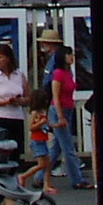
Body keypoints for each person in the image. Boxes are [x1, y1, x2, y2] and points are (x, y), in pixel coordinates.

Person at [39, 33, 90, 190]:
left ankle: (40, 176)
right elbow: (55, 94)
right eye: (70, 55)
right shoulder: (58, 73)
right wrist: (59, 115)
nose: (72, 57)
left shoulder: (67, 72)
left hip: (67, 108)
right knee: (68, 146)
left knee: (57, 147)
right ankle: (77, 179)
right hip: (59, 109)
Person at [0, 41, 27, 134]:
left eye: (0, 57)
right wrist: (5, 102)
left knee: (17, 146)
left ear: (8, 58)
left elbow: (29, 97)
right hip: (0, 117)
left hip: (17, 117)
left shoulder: (19, 74)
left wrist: (21, 101)